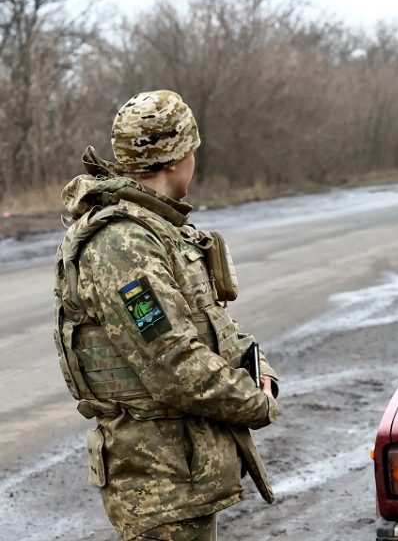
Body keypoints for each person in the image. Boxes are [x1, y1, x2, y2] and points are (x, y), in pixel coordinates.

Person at [53, 90, 280, 541]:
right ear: (178, 158)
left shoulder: (161, 230)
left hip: (183, 474)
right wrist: (255, 401)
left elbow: (212, 321)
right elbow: (173, 364)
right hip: (158, 482)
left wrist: (259, 366)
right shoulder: (123, 244)